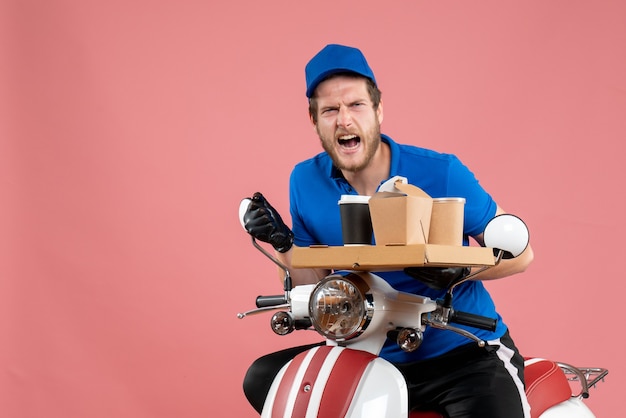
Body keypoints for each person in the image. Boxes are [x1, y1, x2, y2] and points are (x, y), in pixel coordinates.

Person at [242, 43, 534, 418]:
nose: (344, 120)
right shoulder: (305, 181)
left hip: (462, 351)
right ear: (314, 120)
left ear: (378, 111)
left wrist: (458, 273)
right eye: (330, 109)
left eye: (356, 105)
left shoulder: (441, 172)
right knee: (264, 379)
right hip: (367, 353)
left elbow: (521, 255)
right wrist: (281, 244)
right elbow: (313, 280)